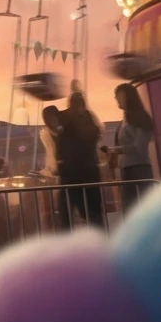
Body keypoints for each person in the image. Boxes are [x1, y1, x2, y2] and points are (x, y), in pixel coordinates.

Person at [56, 93, 105, 229]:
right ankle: (98, 237)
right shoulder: (90, 122)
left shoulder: (66, 124)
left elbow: (63, 149)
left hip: (71, 175)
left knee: (67, 213)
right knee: (93, 212)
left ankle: (70, 239)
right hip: (90, 173)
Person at [105, 83, 155, 214]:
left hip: (139, 168)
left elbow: (140, 147)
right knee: (130, 208)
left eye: (119, 96)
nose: (116, 99)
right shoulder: (125, 120)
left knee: (142, 206)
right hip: (127, 169)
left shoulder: (140, 118)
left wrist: (116, 150)